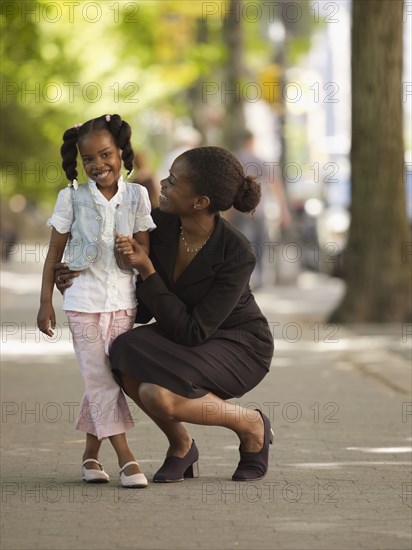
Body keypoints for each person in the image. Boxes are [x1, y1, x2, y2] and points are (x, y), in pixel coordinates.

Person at [57, 146, 275, 483]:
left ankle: (250, 424)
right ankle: (182, 445)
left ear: (200, 201)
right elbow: (140, 306)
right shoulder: (157, 225)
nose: (163, 183)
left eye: (173, 181)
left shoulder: (236, 252)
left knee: (130, 353)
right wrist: (76, 279)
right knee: (135, 368)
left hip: (239, 345)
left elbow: (193, 331)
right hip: (183, 332)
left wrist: (147, 270)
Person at [37, 114, 156, 488]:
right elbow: (55, 251)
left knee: (105, 379)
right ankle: (127, 459)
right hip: (82, 301)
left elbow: (142, 255)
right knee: (99, 377)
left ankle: (90, 455)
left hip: (122, 302)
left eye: (105, 155)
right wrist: (46, 303)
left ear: (120, 152)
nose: (98, 165)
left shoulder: (137, 196)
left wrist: (130, 252)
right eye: (89, 159)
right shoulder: (71, 198)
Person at [227, 130, 292, 288]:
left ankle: (248, 278)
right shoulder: (261, 161)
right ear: (252, 141)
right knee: (260, 244)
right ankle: (260, 277)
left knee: (244, 243)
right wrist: (284, 211)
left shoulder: (235, 161)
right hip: (259, 209)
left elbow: (229, 188)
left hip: (239, 210)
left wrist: (228, 213)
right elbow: (276, 186)